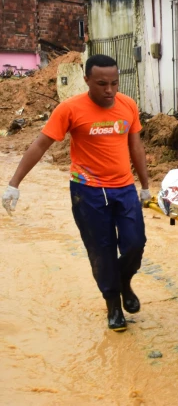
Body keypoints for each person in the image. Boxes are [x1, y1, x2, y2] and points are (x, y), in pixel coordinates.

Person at [1, 54, 151, 332]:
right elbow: (40, 145)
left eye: (114, 83)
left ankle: (124, 282)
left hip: (123, 188)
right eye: (102, 84)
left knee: (135, 243)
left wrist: (144, 186)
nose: (109, 90)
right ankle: (113, 305)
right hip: (88, 192)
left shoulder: (128, 105)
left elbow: (136, 147)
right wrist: (14, 183)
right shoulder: (69, 109)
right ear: (86, 81)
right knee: (101, 250)